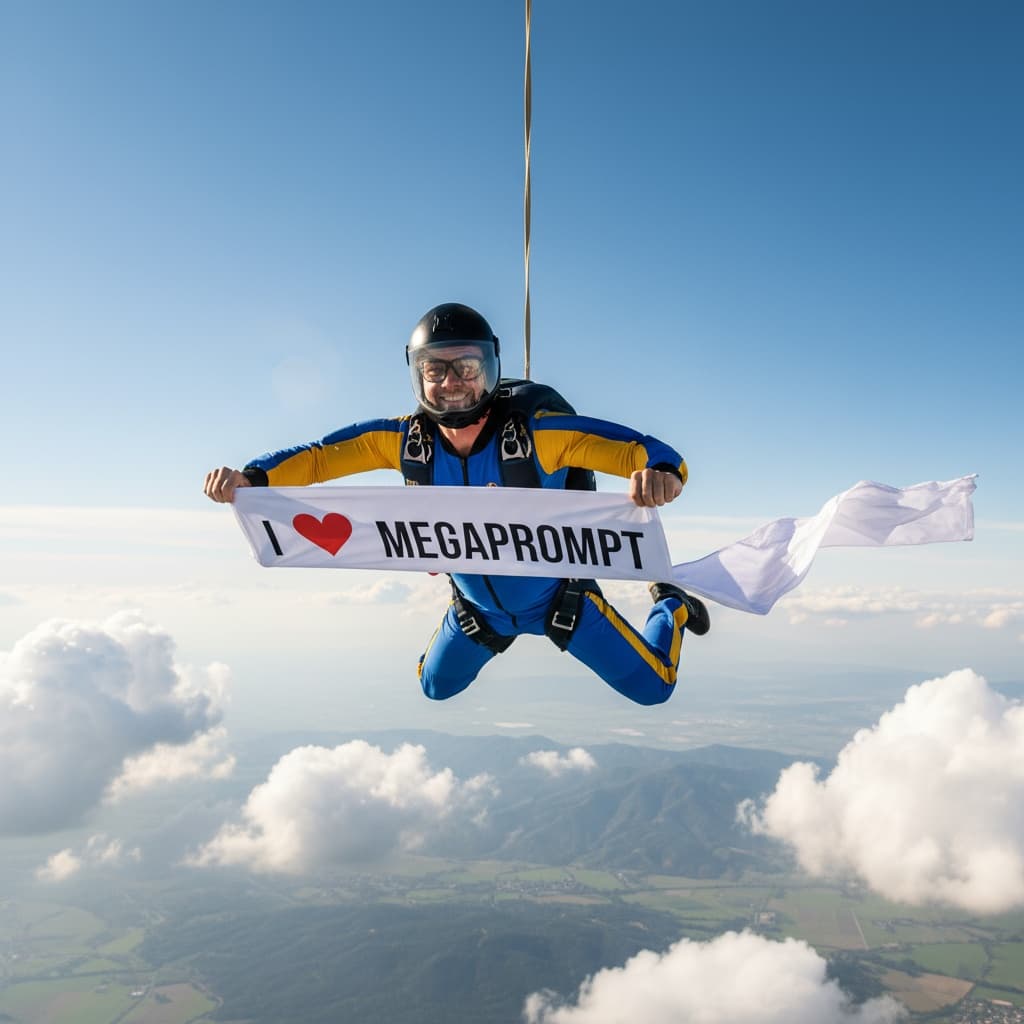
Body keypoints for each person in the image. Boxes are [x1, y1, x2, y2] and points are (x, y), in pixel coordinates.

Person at [204, 302, 709, 706]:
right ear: (416, 375)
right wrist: (252, 477)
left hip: (562, 601)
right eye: (435, 368)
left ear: (490, 368)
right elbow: (317, 459)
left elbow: (641, 449)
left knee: (653, 688)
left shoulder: (539, 436)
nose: (451, 382)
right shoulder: (404, 441)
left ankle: (670, 603)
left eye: (466, 366)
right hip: (477, 608)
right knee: (434, 686)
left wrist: (661, 475)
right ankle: (491, 620)